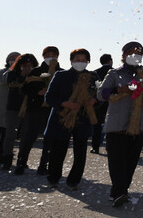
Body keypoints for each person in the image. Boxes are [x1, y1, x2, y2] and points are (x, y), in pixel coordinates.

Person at [98, 42, 143, 207]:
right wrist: (119, 90)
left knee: (131, 160)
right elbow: (101, 94)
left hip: (140, 123)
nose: (135, 56)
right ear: (123, 55)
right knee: (117, 159)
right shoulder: (114, 74)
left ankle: (123, 190)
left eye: (138, 54)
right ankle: (118, 192)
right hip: (117, 123)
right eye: (131, 53)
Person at [44, 48, 97, 189]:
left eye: (83, 60)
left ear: (88, 61)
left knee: (80, 153)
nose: (80, 62)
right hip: (62, 118)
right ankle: (53, 178)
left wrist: (94, 101)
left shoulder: (93, 77)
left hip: (83, 119)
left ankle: (74, 181)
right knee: (58, 151)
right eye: (77, 59)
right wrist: (65, 104)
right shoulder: (61, 75)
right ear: (71, 61)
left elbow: (99, 96)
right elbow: (49, 97)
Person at [14, 46, 62, 175]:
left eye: (53, 55)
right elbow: (24, 89)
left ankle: (43, 166)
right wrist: (37, 92)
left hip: (53, 110)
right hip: (35, 109)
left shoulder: (61, 73)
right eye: (48, 55)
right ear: (43, 56)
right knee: (28, 137)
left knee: (50, 139)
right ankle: (21, 163)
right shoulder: (36, 71)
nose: (50, 58)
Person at [1, 53, 39, 171]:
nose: (27, 67)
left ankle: (22, 160)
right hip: (13, 107)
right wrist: (23, 75)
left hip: (29, 108)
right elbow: (12, 86)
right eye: (24, 65)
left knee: (25, 136)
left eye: (30, 65)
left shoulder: (36, 75)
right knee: (10, 135)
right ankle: (7, 159)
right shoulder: (12, 73)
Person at [90, 54, 113, 154]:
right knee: (111, 126)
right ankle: (109, 147)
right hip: (111, 102)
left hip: (98, 103)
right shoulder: (114, 72)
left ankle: (95, 147)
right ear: (110, 61)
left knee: (97, 126)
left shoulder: (95, 72)